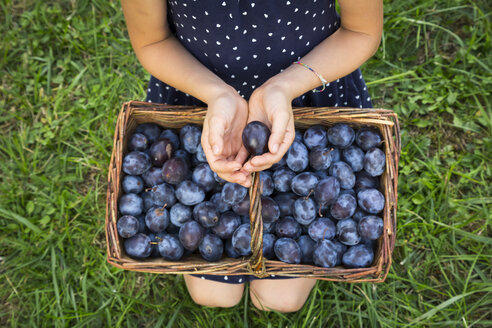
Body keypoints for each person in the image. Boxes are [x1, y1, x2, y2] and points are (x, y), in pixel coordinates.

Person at [121, 0, 383, 312]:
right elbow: (152, 41)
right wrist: (218, 94)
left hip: (307, 94)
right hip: (201, 101)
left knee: (278, 300)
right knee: (214, 294)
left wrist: (284, 88)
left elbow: (361, 31)